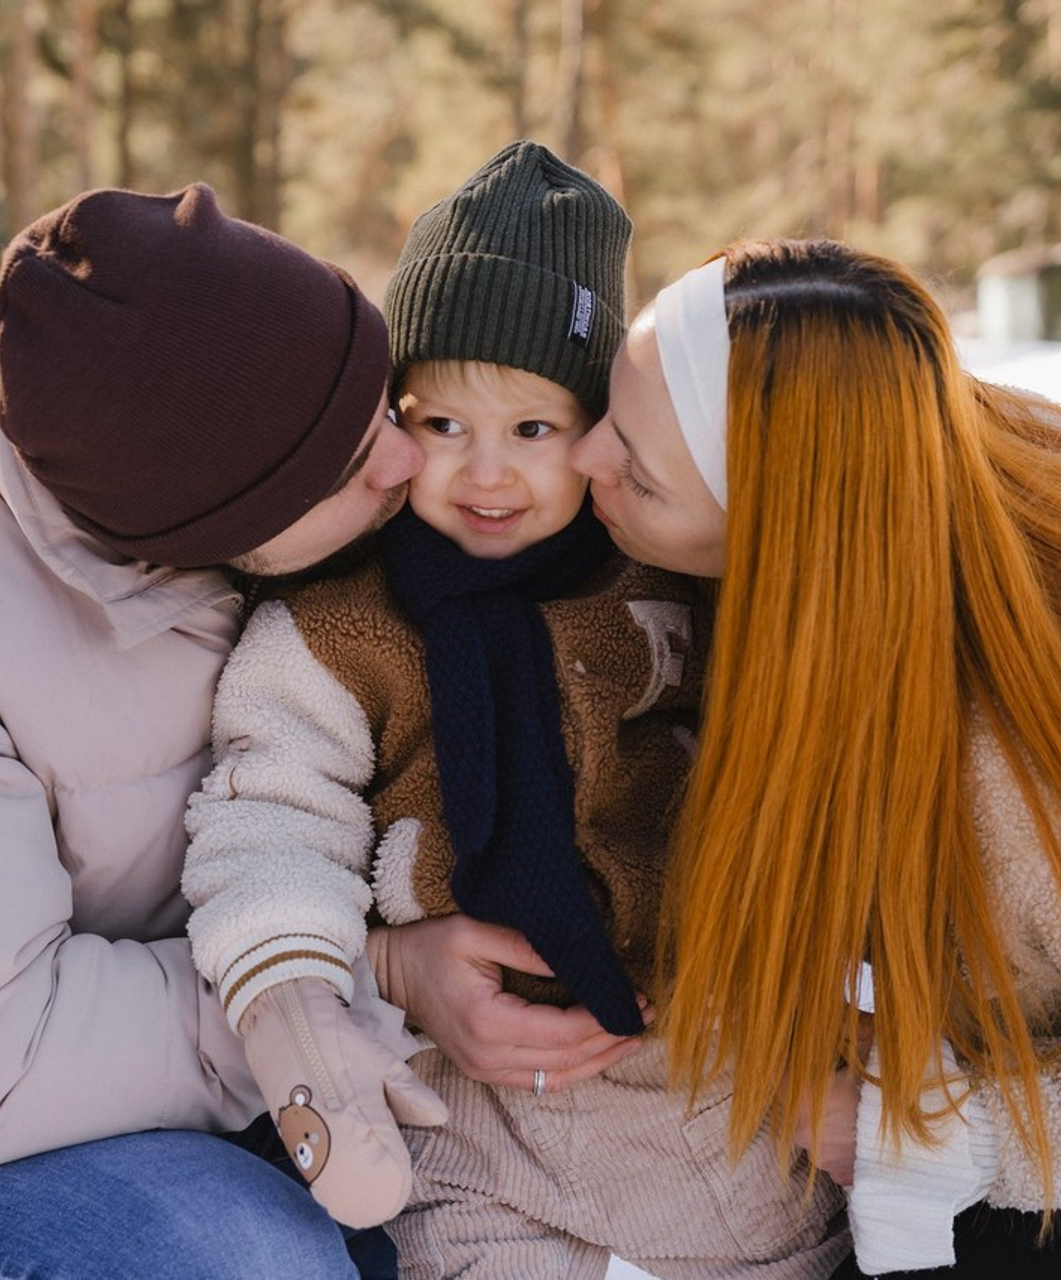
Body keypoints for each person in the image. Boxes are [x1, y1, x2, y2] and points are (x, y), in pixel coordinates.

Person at [182, 143, 851, 1278]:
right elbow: (269, 810)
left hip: (697, 1073)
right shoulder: (341, 620)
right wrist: (299, 987)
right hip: (466, 1117)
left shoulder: (663, 574)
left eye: (530, 430)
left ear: (594, 427)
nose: (483, 472)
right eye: (442, 426)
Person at [0, 180, 432, 1279]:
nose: (408, 461)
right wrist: (365, 976)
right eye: (347, 459)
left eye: (382, 403)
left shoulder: (288, 539)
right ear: (212, 517)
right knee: (240, 1259)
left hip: (202, 1066)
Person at [569, 238, 1061, 1277]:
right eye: (607, 403)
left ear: (781, 539)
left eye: (639, 470)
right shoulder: (861, 432)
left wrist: (944, 1135)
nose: (584, 457)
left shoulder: (1010, 772)